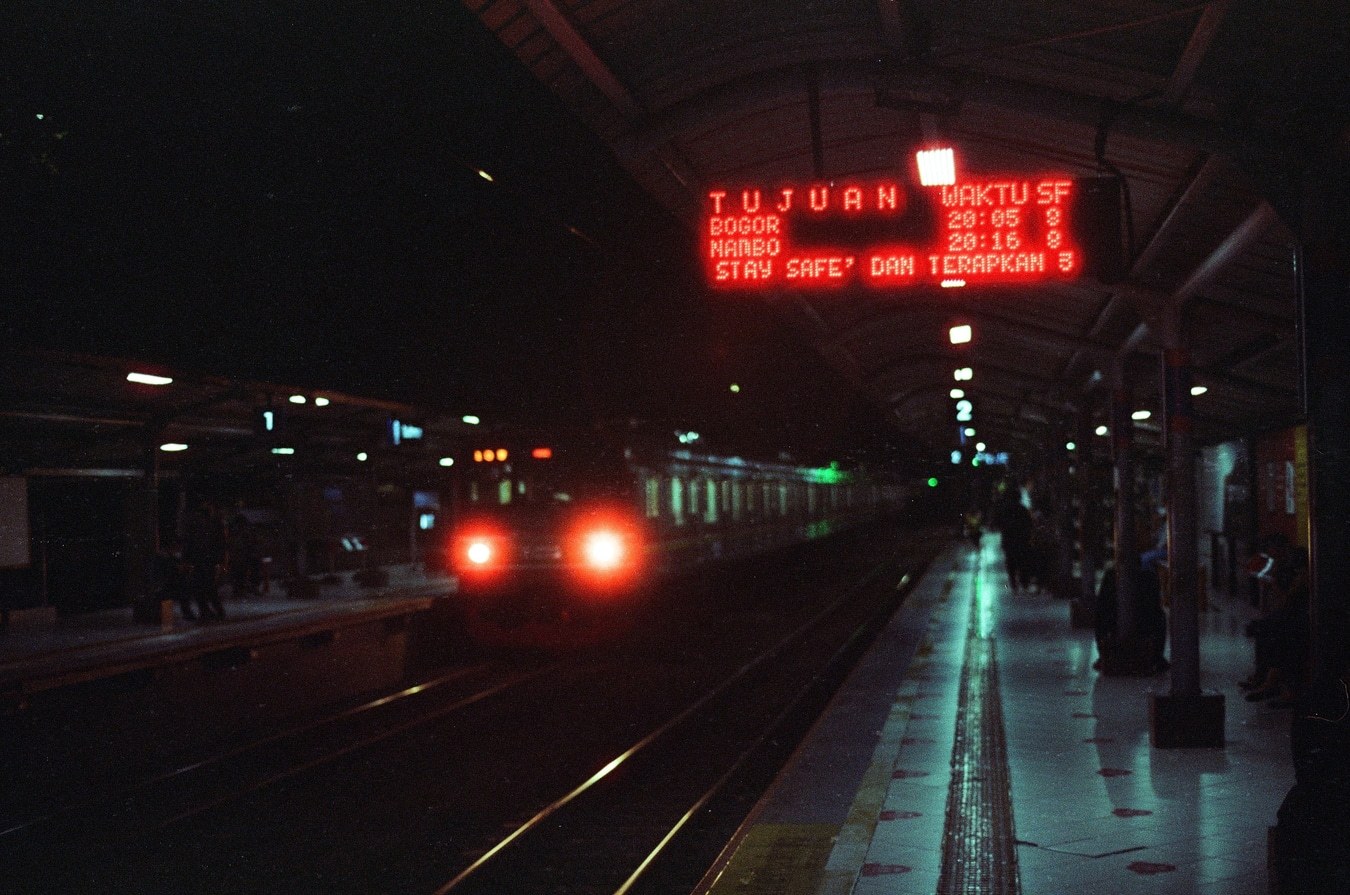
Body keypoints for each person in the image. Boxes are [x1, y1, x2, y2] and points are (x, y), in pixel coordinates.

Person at [183, 499, 227, 621]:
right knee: (207, 587)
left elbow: (190, 543)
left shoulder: (199, 526)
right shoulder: (215, 525)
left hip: (202, 560)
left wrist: (187, 558)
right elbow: (221, 544)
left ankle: (208, 611)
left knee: (203, 587)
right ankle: (212, 611)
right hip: (206, 560)